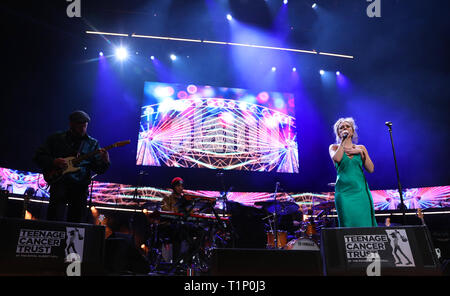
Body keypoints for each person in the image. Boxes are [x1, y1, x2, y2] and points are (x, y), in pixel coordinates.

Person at [33, 110, 110, 223]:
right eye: (80, 126)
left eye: (85, 126)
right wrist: (54, 161)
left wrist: (105, 161)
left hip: (80, 187)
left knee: (76, 223)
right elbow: (38, 156)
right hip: (60, 183)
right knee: (54, 220)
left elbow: (99, 169)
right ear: (71, 124)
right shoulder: (56, 138)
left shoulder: (92, 144)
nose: (83, 129)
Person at [328, 117, 377, 227]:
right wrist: (343, 141)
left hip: (361, 192)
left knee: (365, 225)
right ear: (338, 133)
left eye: (347, 126)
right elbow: (338, 159)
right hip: (344, 193)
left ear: (352, 130)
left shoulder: (361, 148)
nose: (345, 128)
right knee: (347, 224)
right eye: (341, 128)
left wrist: (361, 153)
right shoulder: (334, 147)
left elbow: (371, 169)